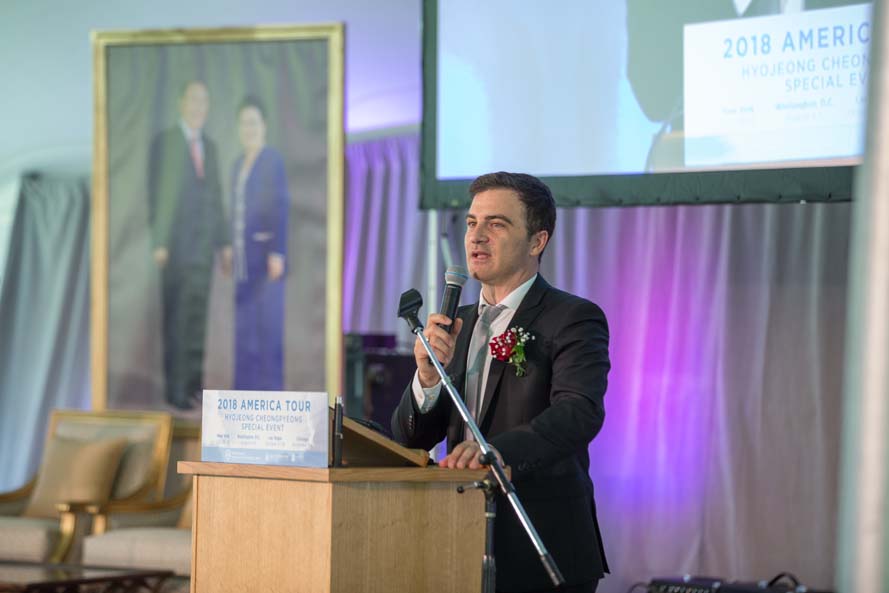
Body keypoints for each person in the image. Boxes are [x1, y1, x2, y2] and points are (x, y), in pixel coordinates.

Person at [391, 172, 610, 593]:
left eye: (496, 224)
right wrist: (427, 377)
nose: (477, 236)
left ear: (537, 241)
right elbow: (409, 439)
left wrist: (496, 452)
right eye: (472, 223)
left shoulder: (572, 318)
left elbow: (579, 412)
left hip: (542, 544)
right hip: (457, 540)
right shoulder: (457, 324)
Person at [148, 80, 230, 410]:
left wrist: (224, 243)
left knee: (197, 319)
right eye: (193, 100)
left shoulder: (210, 147)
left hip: (203, 249)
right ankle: (176, 390)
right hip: (176, 247)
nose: (198, 107)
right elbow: (155, 194)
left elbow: (216, 197)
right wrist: (160, 241)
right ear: (182, 102)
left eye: (203, 101)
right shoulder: (165, 142)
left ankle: (194, 385)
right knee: (178, 319)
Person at [230, 96, 290, 390]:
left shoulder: (272, 161)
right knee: (244, 335)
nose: (249, 129)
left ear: (263, 125)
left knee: (267, 334)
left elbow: (280, 207)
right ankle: (242, 398)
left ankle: (271, 397)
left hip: (266, 261)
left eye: (253, 122)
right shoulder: (237, 165)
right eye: (244, 123)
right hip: (243, 263)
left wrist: (278, 251)